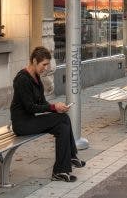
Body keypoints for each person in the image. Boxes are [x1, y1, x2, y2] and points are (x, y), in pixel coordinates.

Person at [10, 46, 85, 183]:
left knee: (62, 125)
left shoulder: (37, 78)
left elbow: (42, 103)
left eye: (47, 64)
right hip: (22, 124)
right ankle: (69, 159)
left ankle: (61, 169)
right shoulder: (22, 79)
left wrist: (57, 108)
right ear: (34, 61)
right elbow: (30, 107)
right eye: (43, 64)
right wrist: (53, 107)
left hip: (31, 120)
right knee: (62, 119)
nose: (46, 68)